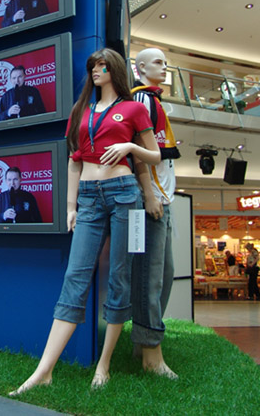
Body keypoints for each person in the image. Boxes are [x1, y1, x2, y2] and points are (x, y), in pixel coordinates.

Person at [9, 48, 160, 396]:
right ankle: (44, 370)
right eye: (93, 66)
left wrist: (130, 148)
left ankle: (104, 364)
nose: (96, 71)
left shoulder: (133, 109)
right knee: (75, 276)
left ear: (114, 70)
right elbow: (73, 161)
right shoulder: (82, 111)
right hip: (89, 198)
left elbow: (154, 155)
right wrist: (70, 205)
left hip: (125, 193)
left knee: (119, 275)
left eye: (102, 66)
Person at [130, 47, 181, 379]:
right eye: (158, 62)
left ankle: (144, 341)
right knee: (151, 276)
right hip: (153, 200)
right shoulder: (143, 100)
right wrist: (149, 194)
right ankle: (150, 351)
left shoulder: (155, 101)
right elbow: (139, 150)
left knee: (164, 274)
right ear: (140, 68)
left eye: (165, 62)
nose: (164, 68)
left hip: (163, 199)